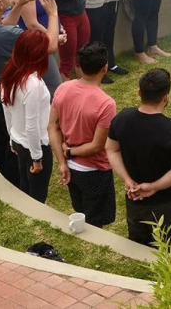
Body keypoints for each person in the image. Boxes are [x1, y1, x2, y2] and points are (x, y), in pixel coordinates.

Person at [0, 0, 59, 186]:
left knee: (0, 141)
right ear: (0, 3)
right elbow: (50, 46)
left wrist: (19, 5)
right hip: (13, 97)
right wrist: (52, 14)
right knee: (17, 142)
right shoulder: (10, 36)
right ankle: (17, 181)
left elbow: (0, 25)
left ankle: (5, 176)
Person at [106, 68, 171, 249]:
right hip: (168, 205)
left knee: (140, 249)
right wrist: (153, 187)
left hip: (135, 200)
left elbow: (111, 150)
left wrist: (128, 180)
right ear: (166, 98)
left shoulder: (122, 118)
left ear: (139, 93)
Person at [49, 42, 117, 228]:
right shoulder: (106, 104)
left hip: (71, 169)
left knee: (81, 214)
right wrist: (69, 152)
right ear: (105, 68)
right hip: (95, 171)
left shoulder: (63, 88)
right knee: (95, 225)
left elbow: (52, 126)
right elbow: (96, 146)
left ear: (79, 65)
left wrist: (62, 162)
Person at [0, 30, 54, 203]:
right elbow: (32, 126)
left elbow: (7, 110)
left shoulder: (9, 75)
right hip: (35, 145)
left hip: (19, 140)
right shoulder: (32, 85)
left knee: (26, 187)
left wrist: (12, 139)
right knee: (38, 195)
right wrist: (37, 158)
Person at [6, 0, 64, 96]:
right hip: (37, 44)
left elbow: (50, 8)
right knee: (54, 86)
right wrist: (53, 36)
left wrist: (59, 27)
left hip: (49, 37)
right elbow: (31, 23)